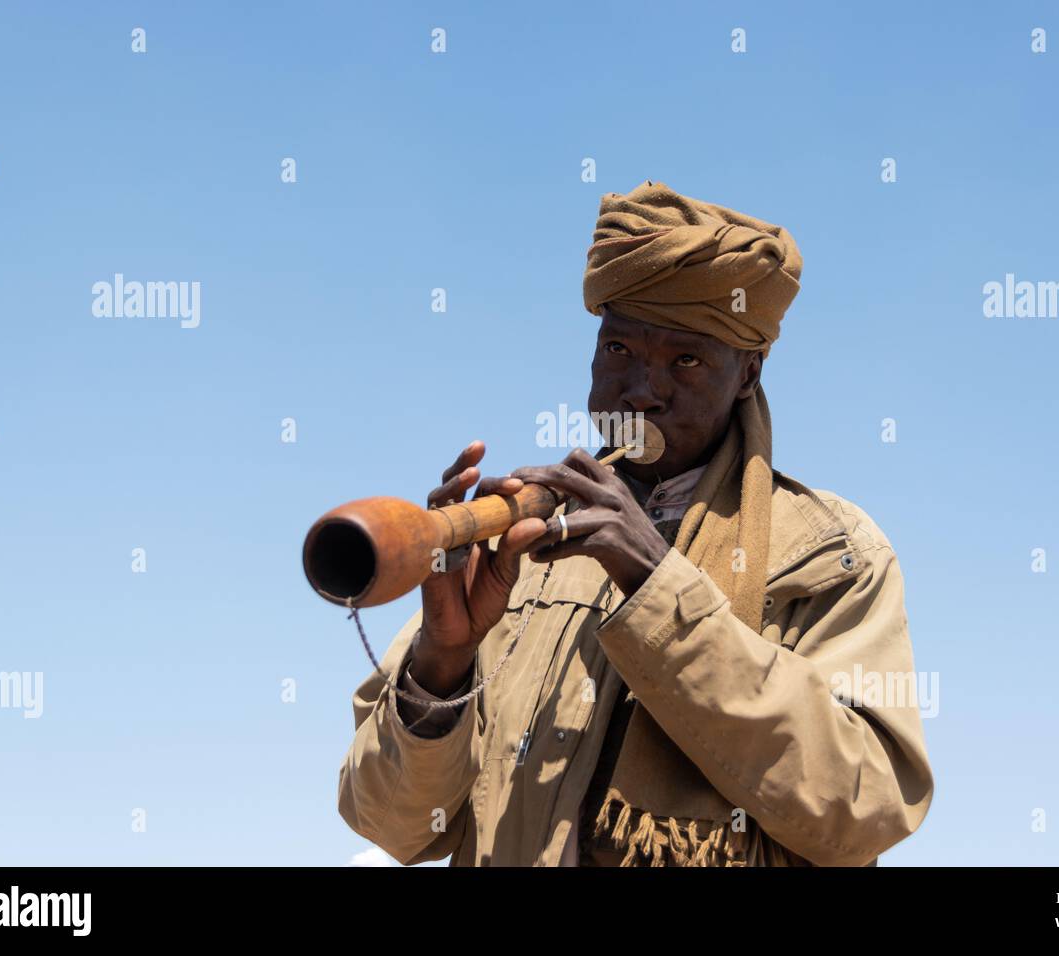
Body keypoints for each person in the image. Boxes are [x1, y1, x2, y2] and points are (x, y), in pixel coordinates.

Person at [337, 180, 934, 866]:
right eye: (619, 351)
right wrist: (441, 664)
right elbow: (394, 825)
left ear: (747, 373)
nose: (643, 389)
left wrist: (658, 586)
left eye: (686, 359)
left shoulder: (832, 553)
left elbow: (864, 811)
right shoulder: (519, 549)